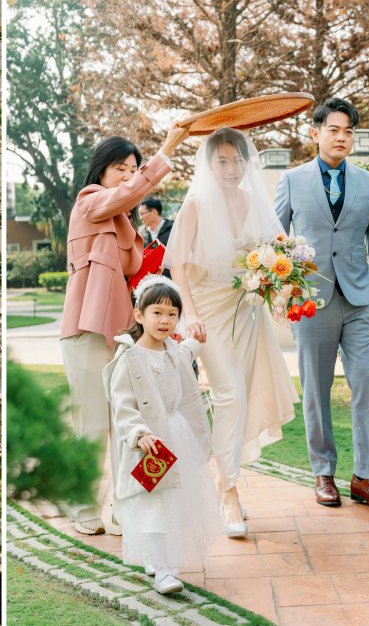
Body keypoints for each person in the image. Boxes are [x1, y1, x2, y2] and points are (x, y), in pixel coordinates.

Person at [164, 127, 299, 536]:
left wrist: (281, 292)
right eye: (221, 160)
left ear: (246, 161)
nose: (231, 168)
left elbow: (275, 252)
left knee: (246, 393)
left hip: (247, 310)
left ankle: (226, 476)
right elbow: (177, 265)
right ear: (209, 164)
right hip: (207, 312)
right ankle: (230, 493)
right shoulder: (195, 204)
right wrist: (189, 314)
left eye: (237, 159)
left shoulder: (253, 200)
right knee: (231, 391)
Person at [60, 123, 189, 535]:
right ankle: (82, 507)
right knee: (93, 423)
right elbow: (126, 195)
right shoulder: (89, 200)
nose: (129, 175)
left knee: (127, 423)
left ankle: (126, 507)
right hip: (85, 329)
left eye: (134, 169)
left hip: (123, 333)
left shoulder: (124, 222)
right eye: (121, 168)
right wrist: (167, 149)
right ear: (101, 170)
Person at [274, 98, 369, 511]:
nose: (342, 137)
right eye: (334, 129)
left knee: (367, 380)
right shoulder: (291, 180)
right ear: (316, 133)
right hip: (312, 301)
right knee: (316, 386)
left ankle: (366, 478)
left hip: (362, 300)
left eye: (349, 131)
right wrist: (283, 291)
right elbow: (273, 242)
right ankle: (323, 472)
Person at [103, 275, 224, 594]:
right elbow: (123, 403)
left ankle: (155, 559)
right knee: (153, 504)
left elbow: (190, 350)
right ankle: (163, 571)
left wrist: (201, 331)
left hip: (176, 436)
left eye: (172, 314)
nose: (165, 320)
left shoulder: (175, 352)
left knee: (172, 503)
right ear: (139, 315)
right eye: (157, 312)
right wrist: (138, 433)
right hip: (148, 444)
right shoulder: (129, 357)